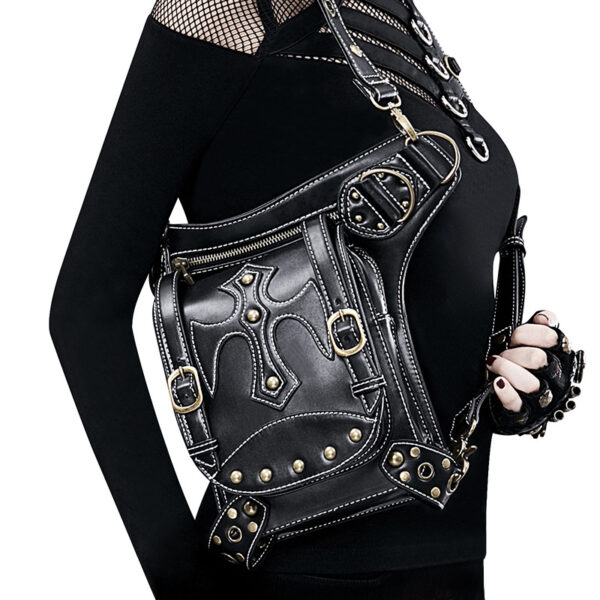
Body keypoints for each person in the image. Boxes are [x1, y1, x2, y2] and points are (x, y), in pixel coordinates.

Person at [49, 2, 578, 598]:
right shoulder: (230, 13)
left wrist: (514, 383)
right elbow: (85, 310)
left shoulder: (395, 18)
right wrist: (180, 579)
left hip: (450, 563)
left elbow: (431, 297)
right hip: (299, 568)